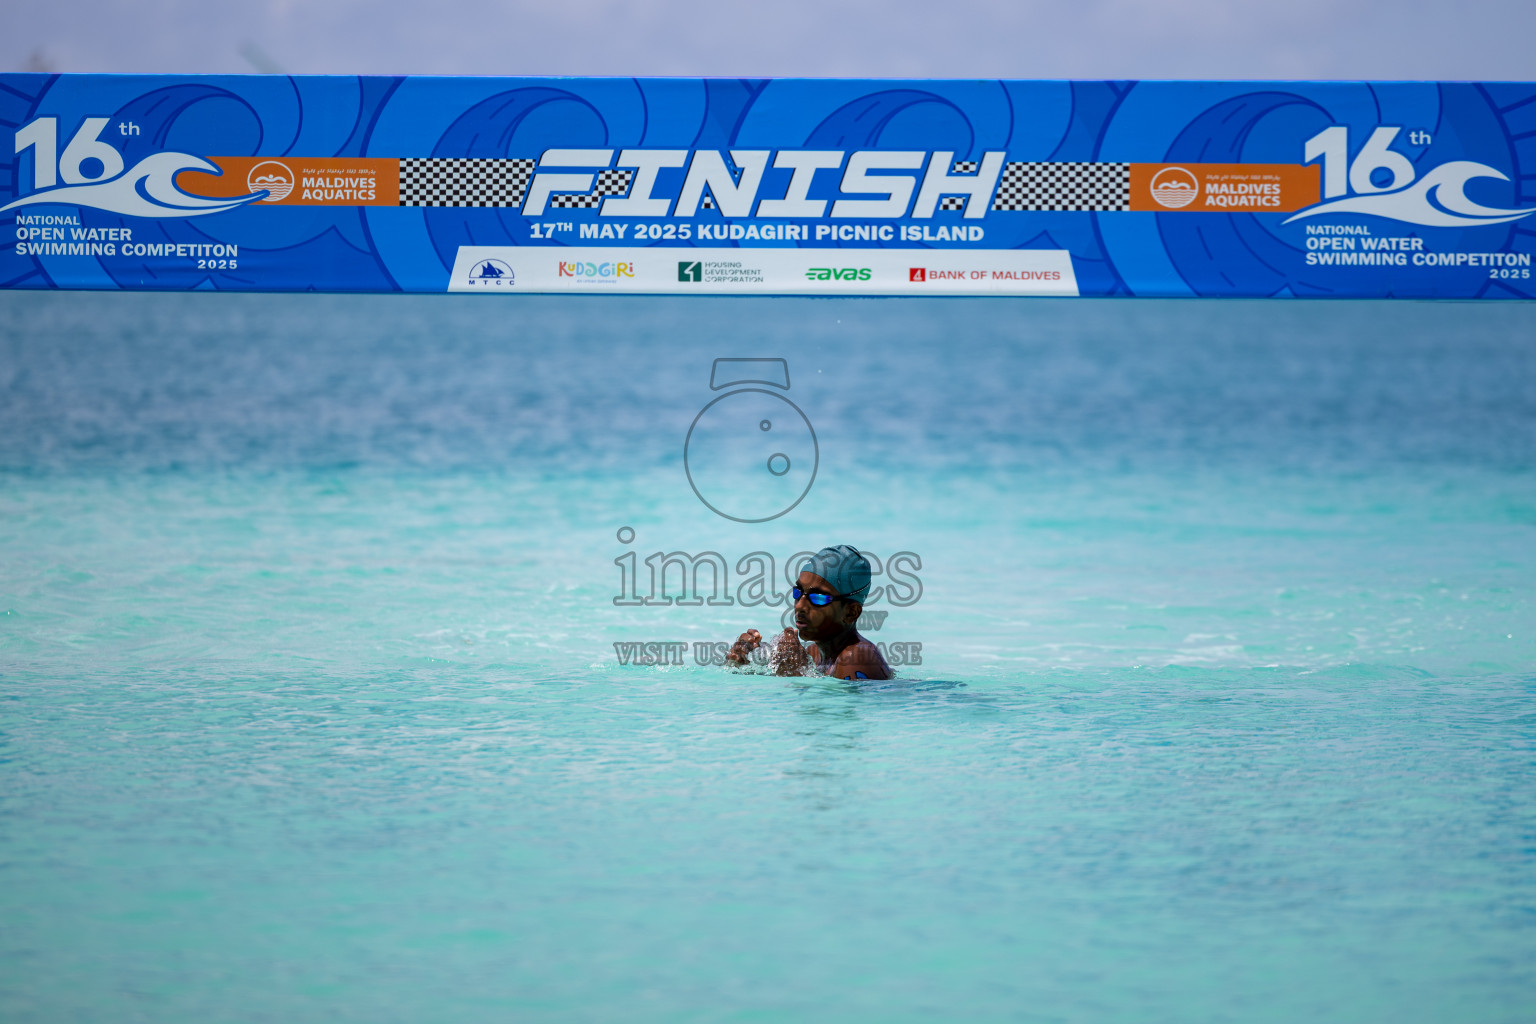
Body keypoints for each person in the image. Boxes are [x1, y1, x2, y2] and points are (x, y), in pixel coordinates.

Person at [726, 545, 892, 680]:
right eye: (798, 592)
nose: (800, 606)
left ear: (851, 613)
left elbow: (837, 709)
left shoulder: (857, 657)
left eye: (818, 597)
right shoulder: (814, 653)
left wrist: (795, 674)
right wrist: (743, 662)